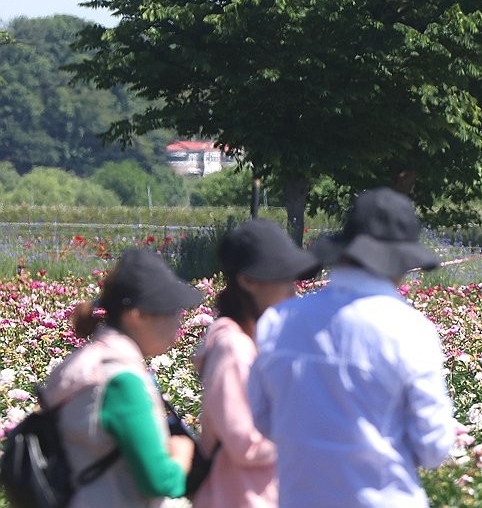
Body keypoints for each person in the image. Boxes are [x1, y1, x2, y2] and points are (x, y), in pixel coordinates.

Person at [248, 187, 456, 507]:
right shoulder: (410, 330)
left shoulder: (279, 321)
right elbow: (433, 448)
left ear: (344, 251)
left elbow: (263, 420)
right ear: (401, 263)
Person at [40, 248, 203, 507]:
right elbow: (160, 481)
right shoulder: (121, 381)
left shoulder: (85, 361)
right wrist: (182, 454)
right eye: (171, 312)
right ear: (137, 316)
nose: (178, 323)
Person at [191, 219, 320, 508]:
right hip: (241, 497)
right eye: (284, 279)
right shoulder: (234, 348)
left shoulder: (246, 343)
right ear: (247, 281)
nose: (293, 291)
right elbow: (245, 443)